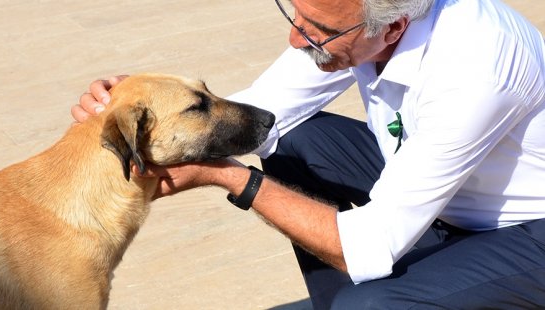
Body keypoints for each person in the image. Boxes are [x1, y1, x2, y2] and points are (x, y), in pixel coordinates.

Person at [72, 0, 545, 308]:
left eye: (317, 30)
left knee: (370, 306)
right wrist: (142, 106)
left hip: (527, 231)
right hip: (449, 188)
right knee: (290, 137)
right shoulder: (365, 20)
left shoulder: (474, 71)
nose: (297, 39)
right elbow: (263, 113)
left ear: (394, 27)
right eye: (294, 14)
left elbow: (369, 246)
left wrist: (235, 180)